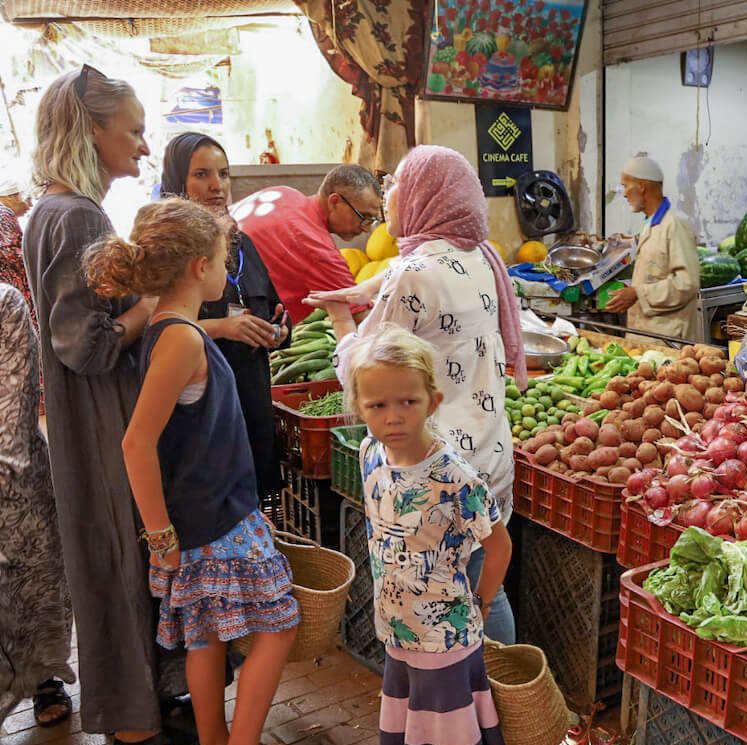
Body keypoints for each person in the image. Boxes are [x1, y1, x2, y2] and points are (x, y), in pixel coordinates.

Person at [87, 197, 303, 745]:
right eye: (221, 261)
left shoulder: (167, 326)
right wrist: (161, 536)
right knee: (279, 627)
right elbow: (137, 444)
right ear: (195, 269)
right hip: (214, 517)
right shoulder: (180, 339)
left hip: (202, 516)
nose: (225, 271)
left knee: (206, 638)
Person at [23, 65, 191, 745]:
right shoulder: (77, 216)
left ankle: (138, 706)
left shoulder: (49, 212)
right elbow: (84, 346)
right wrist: (152, 308)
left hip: (83, 422)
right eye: (134, 131)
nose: (145, 148)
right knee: (123, 561)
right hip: (98, 421)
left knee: (110, 559)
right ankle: (131, 724)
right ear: (92, 130)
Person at [315, 145, 526, 649]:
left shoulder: (415, 270)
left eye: (400, 186)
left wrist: (342, 321)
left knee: (449, 590)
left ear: (427, 196)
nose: (392, 197)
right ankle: (497, 696)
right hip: (490, 453)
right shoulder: (480, 255)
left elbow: (365, 370)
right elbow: (404, 281)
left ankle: (461, 693)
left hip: (437, 467)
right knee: (483, 587)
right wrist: (367, 293)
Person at [343, 323, 510, 745]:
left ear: (433, 401)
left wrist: (481, 606)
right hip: (400, 631)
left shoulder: (454, 478)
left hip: (445, 642)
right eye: (377, 403)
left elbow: (500, 546)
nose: (393, 415)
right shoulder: (369, 453)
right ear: (358, 405)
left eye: (408, 401)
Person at [161, 133, 290, 497]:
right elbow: (154, 331)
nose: (217, 186)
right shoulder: (165, 251)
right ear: (177, 181)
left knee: (254, 499)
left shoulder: (241, 242)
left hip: (250, 393)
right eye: (201, 174)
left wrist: (278, 330)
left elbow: (276, 307)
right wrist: (223, 327)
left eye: (224, 173)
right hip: (202, 405)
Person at [0, 282, 77, 745]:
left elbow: (14, 401)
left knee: (37, 584)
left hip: (14, 477)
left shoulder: (5, 303)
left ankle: (46, 679)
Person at [233, 163, 382, 327]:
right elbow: (365, 321)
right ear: (335, 201)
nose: (366, 229)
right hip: (235, 323)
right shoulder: (315, 247)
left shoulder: (285, 193)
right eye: (364, 217)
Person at [603, 154, 701, 340]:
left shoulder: (674, 224)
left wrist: (638, 293)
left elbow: (687, 283)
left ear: (641, 186)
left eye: (626, 186)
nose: (624, 194)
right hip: (648, 333)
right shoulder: (650, 223)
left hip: (668, 337)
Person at [0, 173, 32, 327]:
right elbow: (13, 254)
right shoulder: (4, 213)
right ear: (13, 196)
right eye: (27, 199)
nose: (30, 205)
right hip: (14, 288)